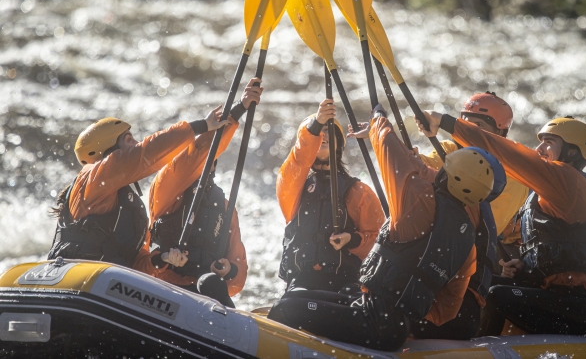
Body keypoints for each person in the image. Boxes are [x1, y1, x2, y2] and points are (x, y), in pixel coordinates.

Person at [268, 104, 501, 351]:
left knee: (286, 307)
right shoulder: (467, 244)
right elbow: (445, 310)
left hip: (375, 321)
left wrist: (378, 117)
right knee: (296, 297)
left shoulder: (416, 200)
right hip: (393, 323)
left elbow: (391, 153)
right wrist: (405, 307)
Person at [417, 111, 586, 336]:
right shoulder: (551, 190)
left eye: (549, 143)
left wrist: (447, 123)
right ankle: (435, 329)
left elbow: (506, 151)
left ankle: (471, 344)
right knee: (477, 283)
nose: (539, 149)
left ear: (572, 152)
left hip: (581, 305)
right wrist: (525, 268)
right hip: (556, 294)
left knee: (495, 295)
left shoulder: (568, 182)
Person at [49, 108, 229, 276]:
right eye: (129, 140)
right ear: (108, 150)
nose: (136, 143)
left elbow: (138, 263)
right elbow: (147, 152)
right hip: (74, 275)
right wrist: (201, 126)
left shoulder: (130, 206)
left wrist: (163, 258)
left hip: (105, 282)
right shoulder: (93, 178)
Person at [412, 92, 527, 339]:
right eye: (465, 124)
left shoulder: (514, 175)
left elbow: (480, 224)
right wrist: (407, 156)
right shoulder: (449, 149)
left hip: (478, 257)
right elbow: (419, 169)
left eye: (477, 127)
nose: (467, 132)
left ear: (501, 134)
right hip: (443, 249)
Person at [148, 78, 262, 307]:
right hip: (166, 285)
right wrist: (238, 109)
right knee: (210, 283)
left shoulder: (225, 205)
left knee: (211, 282)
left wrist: (229, 270)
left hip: (205, 289)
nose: (207, 159)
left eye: (212, 158)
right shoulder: (169, 187)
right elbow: (197, 153)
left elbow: (239, 272)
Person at [273, 99, 385, 293]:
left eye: (327, 131)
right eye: (318, 131)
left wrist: (353, 239)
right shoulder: (292, 186)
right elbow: (299, 158)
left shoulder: (359, 191)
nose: (322, 136)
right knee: (295, 300)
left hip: (344, 285)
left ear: (338, 143)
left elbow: (378, 242)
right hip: (301, 283)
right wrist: (315, 125)